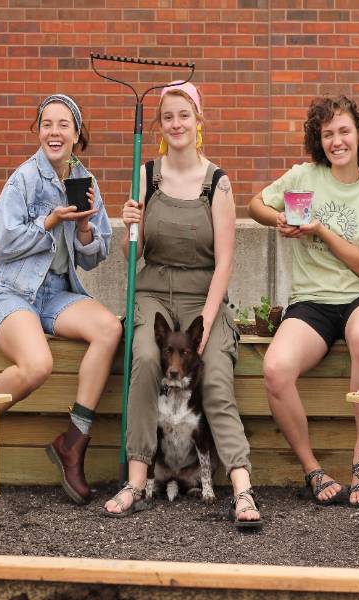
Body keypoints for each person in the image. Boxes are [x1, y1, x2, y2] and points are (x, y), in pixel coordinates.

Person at [102, 81, 262, 530]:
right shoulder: (146, 174)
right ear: (160, 124)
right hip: (153, 290)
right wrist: (127, 226)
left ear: (198, 121)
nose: (176, 124)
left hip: (201, 298)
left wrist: (207, 323)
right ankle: (136, 479)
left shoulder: (218, 183)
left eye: (184, 116)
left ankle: (242, 486)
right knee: (148, 359)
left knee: (212, 375)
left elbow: (225, 263)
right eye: (168, 117)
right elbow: (132, 256)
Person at [248, 95, 359, 508]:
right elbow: (255, 203)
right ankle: (312, 468)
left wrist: (320, 231)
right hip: (311, 301)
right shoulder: (303, 175)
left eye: (344, 130)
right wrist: (275, 218)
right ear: (319, 139)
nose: (336, 141)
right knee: (275, 369)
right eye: (327, 133)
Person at [0, 94, 123, 506]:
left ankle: (73, 442)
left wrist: (82, 232)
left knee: (109, 329)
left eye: (64, 125)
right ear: (38, 130)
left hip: (57, 294)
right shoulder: (24, 179)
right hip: (12, 294)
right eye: (47, 124)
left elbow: (98, 253)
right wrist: (51, 221)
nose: (54, 132)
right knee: (38, 364)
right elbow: (3, 241)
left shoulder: (85, 180)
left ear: (78, 134)